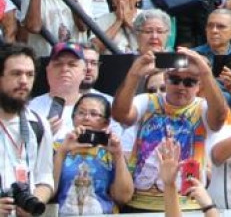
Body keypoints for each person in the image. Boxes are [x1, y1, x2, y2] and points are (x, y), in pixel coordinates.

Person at [111, 46, 229, 211]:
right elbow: (120, 115)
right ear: (165, 79)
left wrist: (205, 72)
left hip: (187, 204)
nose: (181, 86)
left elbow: (219, 119)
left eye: (189, 82)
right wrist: (133, 74)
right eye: (175, 80)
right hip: (140, 203)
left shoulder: (203, 108)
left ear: (198, 85)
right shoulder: (146, 101)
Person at [52, 91, 133, 214]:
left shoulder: (111, 150)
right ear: (73, 118)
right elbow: (48, 190)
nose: (86, 118)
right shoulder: (57, 146)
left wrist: (118, 155)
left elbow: (123, 198)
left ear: (106, 122)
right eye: (81, 113)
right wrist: (62, 152)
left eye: (94, 114)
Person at [0, 43, 55, 216]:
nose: (24, 81)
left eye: (29, 75)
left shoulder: (38, 124)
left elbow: (45, 179)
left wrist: (34, 202)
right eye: (16, 74)